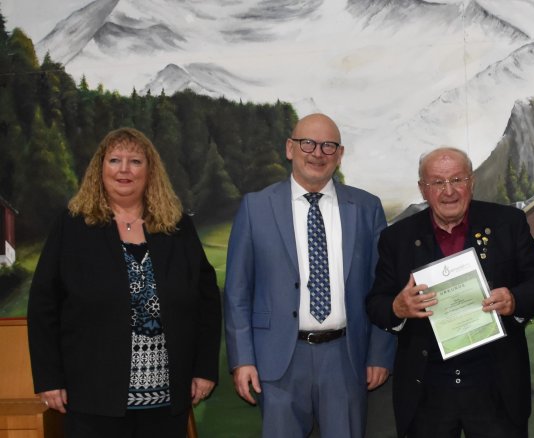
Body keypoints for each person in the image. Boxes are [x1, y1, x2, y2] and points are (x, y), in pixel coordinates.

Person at [27, 127, 221, 437]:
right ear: (99, 169)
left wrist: (204, 370)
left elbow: (207, 302)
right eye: (115, 160)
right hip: (92, 398)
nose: (124, 170)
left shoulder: (177, 226)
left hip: (167, 398)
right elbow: (43, 305)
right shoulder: (72, 225)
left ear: (150, 170)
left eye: (135, 161)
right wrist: (49, 378)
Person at [223, 113, 395, 437]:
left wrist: (379, 353)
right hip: (278, 361)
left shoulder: (367, 207)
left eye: (329, 146)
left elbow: (383, 287)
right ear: (290, 148)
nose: (317, 153)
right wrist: (242, 359)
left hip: (345, 358)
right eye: (308, 143)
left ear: (340, 154)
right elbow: (237, 293)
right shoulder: (255, 207)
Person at [366, 147, 534, 438]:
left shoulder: (508, 223)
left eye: (457, 180)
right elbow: (376, 302)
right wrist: (397, 308)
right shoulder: (397, 238)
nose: (448, 191)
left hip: (496, 384)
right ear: (423, 189)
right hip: (426, 388)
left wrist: (515, 300)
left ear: (471, 182)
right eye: (437, 182)